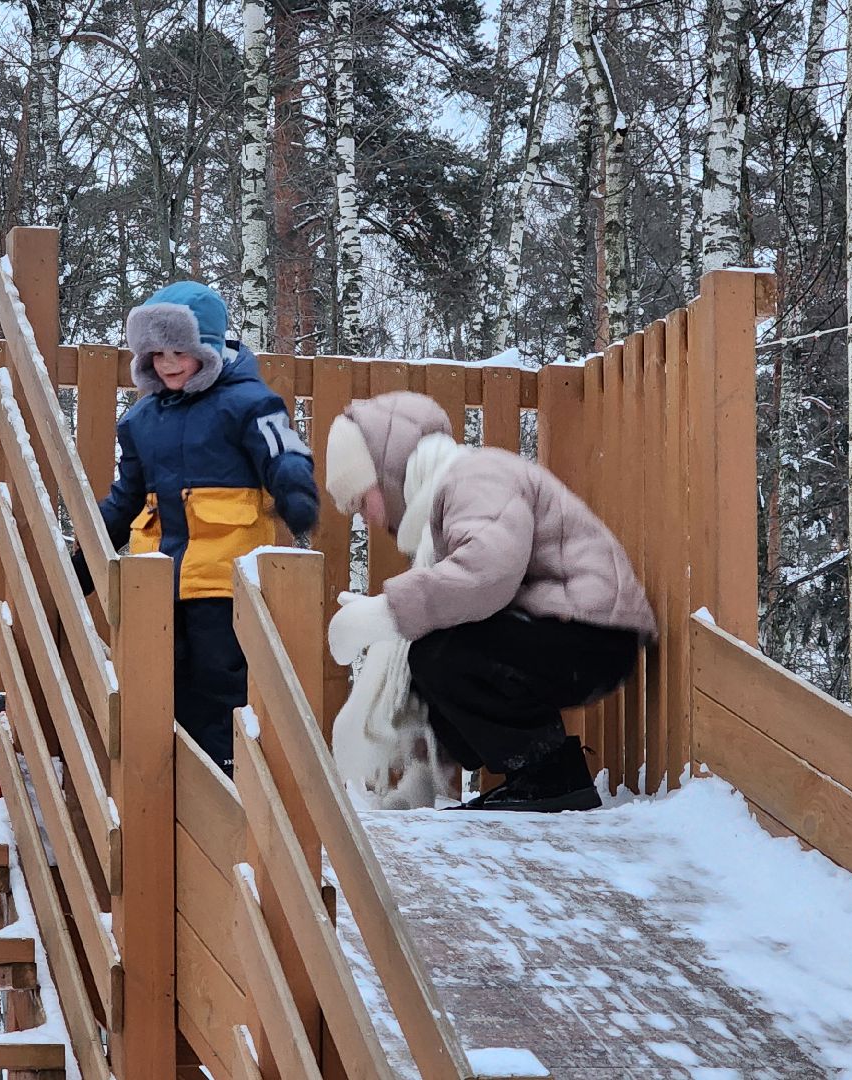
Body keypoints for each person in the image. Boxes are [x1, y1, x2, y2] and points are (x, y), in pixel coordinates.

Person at [322, 391, 655, 812]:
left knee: (438, 654)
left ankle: (551, 775)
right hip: (571, 631)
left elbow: (486, 574)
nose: (366, 517)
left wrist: (385, 613)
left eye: (361, 498)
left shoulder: (474, 476)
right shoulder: (448, 494)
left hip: (594, 635)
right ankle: (524, 776)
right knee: (430, 651)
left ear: (384, 471)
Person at [77, 282, 318, 773]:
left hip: (222, 576)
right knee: (159, 677)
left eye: (180, 351)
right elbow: (127, 496)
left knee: (220, 675)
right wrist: (88, 552)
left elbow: (284, 453)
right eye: (157, 352)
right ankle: (173, 780)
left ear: (208, 347)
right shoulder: (142, 418)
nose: (167, 363)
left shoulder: (250, 403)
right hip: (157, 576)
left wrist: (295, 493)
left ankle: (228, 770)